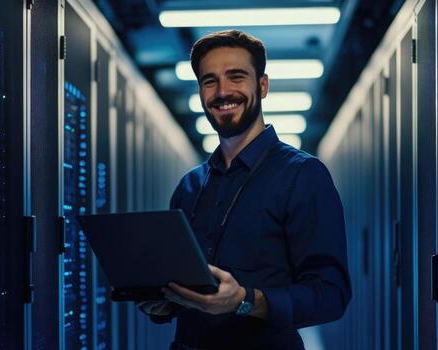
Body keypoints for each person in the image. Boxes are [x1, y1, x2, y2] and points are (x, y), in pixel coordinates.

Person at [138, 29, 352, 349]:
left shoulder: (303, 176)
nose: (222, 91)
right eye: (209, 81)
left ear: (262, 86)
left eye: (236, 77)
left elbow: (331, 294)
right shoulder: (190, 186)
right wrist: (165, 302)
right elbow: (182, 280)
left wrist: (245, 301)